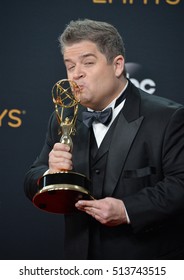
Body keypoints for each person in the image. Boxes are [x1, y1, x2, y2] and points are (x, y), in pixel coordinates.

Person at [24, 18, 184, 260]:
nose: (76, 74)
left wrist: (127, 209)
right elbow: (31, 178)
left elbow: (180, 184)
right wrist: (50, 175)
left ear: (117, 65)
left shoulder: (168, 117)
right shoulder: (61, 118)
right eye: (69, 66)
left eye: (88, 63)